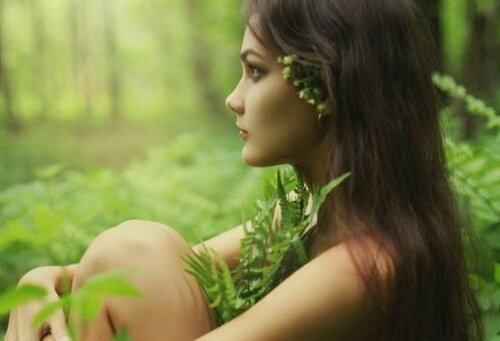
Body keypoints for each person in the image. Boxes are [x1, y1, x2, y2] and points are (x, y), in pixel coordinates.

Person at [5, 0, 483, 340]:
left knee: (130, 248)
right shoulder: (308, 215)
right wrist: (39, 281)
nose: (234, 99)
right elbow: (151, 272)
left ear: (325, 87)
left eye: (255, 71)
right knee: (129, 250)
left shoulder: (370, 263)